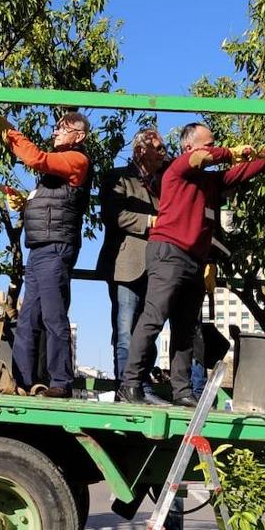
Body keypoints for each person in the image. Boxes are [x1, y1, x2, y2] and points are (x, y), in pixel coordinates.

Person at [119, 124, 265, 405]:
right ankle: (130, 385)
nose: (214, 148)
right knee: (153, 318)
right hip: (169, 253)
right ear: (189, 147)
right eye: (209, 144)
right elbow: (203, 158)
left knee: (186, 328)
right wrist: (233, 152)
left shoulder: (210, 182)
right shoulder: (178, 168)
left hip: (194, 260)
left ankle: (183, 391)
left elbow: (244, 170)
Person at [0, 110, 91, 398]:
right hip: (39, 249)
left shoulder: (77, 159)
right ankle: (20, 381)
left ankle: (61, 381)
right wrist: (25, 201)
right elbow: (51, 203)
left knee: (53, 315)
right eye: (56, 127)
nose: (56, 132)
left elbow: (37, 159)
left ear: (79, 136)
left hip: (54, 248)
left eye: (63, 128)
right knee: (27, 319)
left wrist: (10, 133)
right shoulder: (54, 174)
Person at [99, 127, 169, 401]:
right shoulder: (116, 177)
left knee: (149, 328)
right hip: (126, 264)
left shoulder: (164, 181)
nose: (164, 153)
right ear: (141, 150)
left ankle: (141, 384)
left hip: (157, 265)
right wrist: (151, 222)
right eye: (159, 148)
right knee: (126, 328)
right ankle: (127, 387)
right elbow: (114, 215)